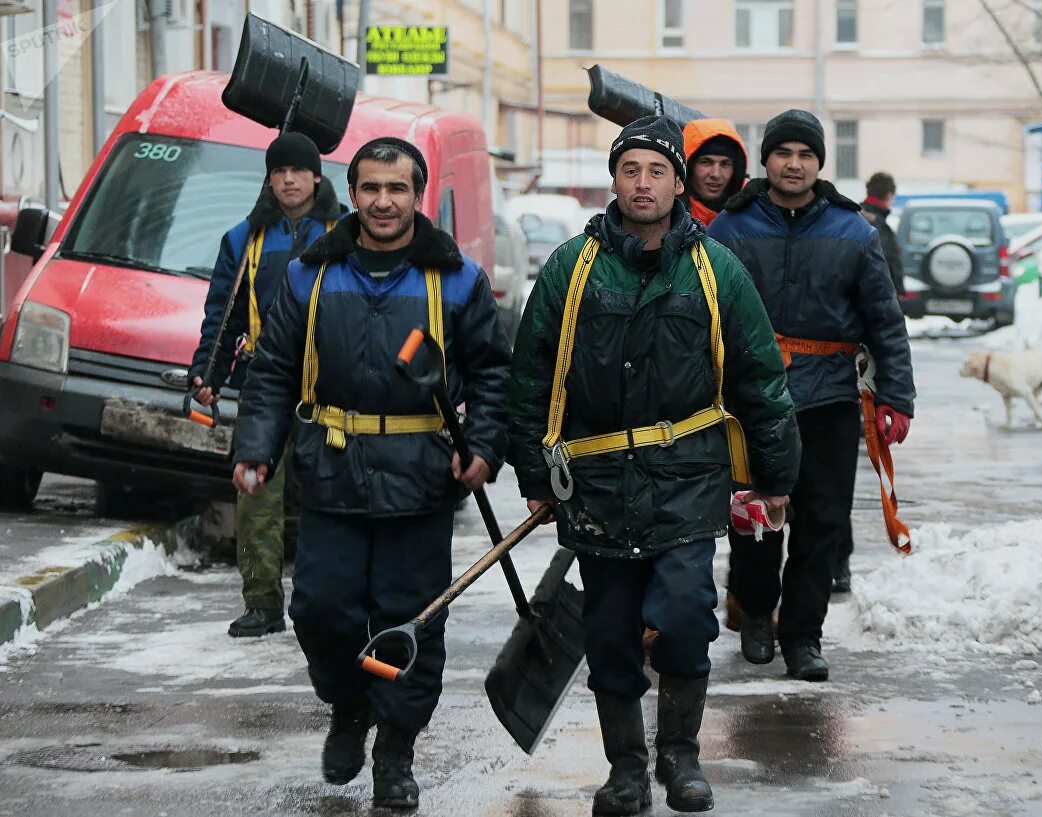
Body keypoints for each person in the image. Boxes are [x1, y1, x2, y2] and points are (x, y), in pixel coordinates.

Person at [508, 116, 800, 816]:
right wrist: (531, 476)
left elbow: (759, 376)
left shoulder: (715, 268)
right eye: (631, 170)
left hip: (687, 476)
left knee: (682, 613)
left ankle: (681, 753)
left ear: (679, 182)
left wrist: (776, 473)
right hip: (596, 483)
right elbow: (530, 377)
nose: (643, 184)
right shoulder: (569, 268)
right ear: (615, 179)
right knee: (608, 629)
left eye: (657, 172)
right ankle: (626, 769)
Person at [231, 137, 510, 810]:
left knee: (408, 621)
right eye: (371, 187)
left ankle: (395, 751)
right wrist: (256, 446)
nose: (384, 200)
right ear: (352, 194)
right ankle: (348, 703)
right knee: (321, 610)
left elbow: (496, 372)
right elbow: (271, 369)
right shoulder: (309, 274)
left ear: (418, 194)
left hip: (420, 481)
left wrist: (484, 445)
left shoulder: (457, 280)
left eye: (398, 188)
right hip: (331, 472)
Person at [708, 110, 915, 682]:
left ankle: (802, 635)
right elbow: (699, 316)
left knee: (822, 522)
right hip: (750, 401)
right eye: (783, 153)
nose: (793, 164)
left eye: (804, 154)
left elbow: (885, 321)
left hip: (828, 400)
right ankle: (754, 616)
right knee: (753, 516)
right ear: (767, 160)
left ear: (819, 162)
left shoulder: (853, 233)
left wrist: (896, 396)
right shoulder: (730, 230)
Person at [188, 132, 342, 638]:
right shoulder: (243, 239)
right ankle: (261, 604)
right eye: (279, 171)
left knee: (331, 493)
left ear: (317, 178)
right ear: (269, 179)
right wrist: (209, 373)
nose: (289, 179)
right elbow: (222, 315)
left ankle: (331, 603)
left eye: (298, 171)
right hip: (265, 385)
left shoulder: (344, 232)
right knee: (255, 493)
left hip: (330, 386)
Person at [681, 118, 748, 226]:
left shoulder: (752, 218)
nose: (715, 174)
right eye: (706, 162)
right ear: (689, 167)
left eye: (725, 164)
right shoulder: (664, 217)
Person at [861, 171, 905, 296]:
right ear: (889, 196)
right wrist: (899, 291)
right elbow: (888, 262)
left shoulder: (852, 215)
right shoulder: (881, 227)